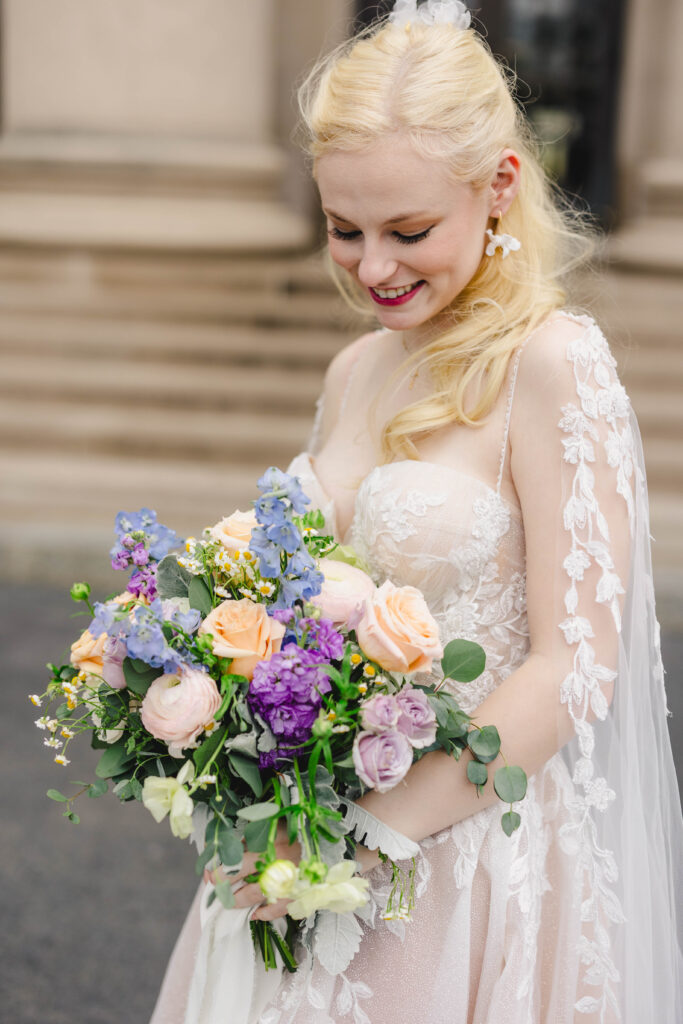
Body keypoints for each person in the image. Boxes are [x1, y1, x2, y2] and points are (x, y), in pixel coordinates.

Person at [151, 2, 682, 1021]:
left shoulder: (551, 365)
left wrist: (365, 838)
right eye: (343, 230)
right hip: (295, 840)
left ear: (497, 189)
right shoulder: (354, 369)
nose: (374, 268)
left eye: (407, 230)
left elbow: (573, 665)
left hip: (466, 861)